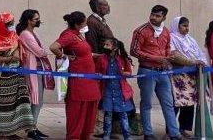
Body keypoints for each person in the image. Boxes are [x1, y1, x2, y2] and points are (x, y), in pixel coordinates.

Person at [130, 4, 180, 140]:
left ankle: (174, 133)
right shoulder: (141, 31)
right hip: (147, 71)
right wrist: (155, 58)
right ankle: (148, 133)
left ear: (164, 17)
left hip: (163, 72)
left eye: (158, 16)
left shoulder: (166, 32)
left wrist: (169, 57)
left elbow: (167, 48)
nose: (153, 18)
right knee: (146, 103)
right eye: (152, 14)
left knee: (168, 103)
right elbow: (134, 51)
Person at [51, 11, 101, 140]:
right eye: (85, 22)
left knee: (90, 110)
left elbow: (82, 53)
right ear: (78, 24)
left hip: (89, 79)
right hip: (78, 80)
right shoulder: (69, 35)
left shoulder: (79, 35)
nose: (86, 24)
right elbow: (54, 47)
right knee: (77, 111)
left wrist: (97, 55)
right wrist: (64, 56)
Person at [0, 12, 34, 139]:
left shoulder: (13, 34)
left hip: (17, 74)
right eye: (9, 24)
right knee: (3, 104)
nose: (12, 25)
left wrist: (17, 57)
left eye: (12, 23)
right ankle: (2, 133)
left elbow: (18, 50)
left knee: (19, 102)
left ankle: (13, 131)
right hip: (2, 76)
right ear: (1, 24)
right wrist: (10, 58)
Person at [169, 16, 207, 137]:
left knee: (189, 103)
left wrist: (200, 61)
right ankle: (171, 130)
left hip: (190, 77)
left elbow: (199, 54)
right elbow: (174, 55)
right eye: (184, 26)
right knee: (176, 103)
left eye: (187, 26)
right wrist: (192, 62)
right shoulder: (171, 38)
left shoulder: (190, 39)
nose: (187, 28)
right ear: (177, 26)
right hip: (177, 76)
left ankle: (183, 129)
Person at [17, 9, 50, 139]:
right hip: (32, 71)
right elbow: (40, 52)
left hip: (38, 70)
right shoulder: (25, 34)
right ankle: (31, 129)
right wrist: (43, 51)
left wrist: (43, 51)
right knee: (35, 100)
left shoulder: (31, 33)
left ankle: (33, 127)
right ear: (29, 21)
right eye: (36, 19)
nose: (38, 21)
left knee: (39, 101)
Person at [94, 39, 135, 140]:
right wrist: (98, 75)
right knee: (108, 114)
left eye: (108, 45)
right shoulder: (101, 58)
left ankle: (127, 136)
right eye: (105, 45)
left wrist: (126, 73)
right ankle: (106, 135)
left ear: (115, 48)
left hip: (120, 91)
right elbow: (97, 71)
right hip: (107, 90)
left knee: (123, 114)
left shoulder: (123, 58)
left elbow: (129, 72)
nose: (105, 47)